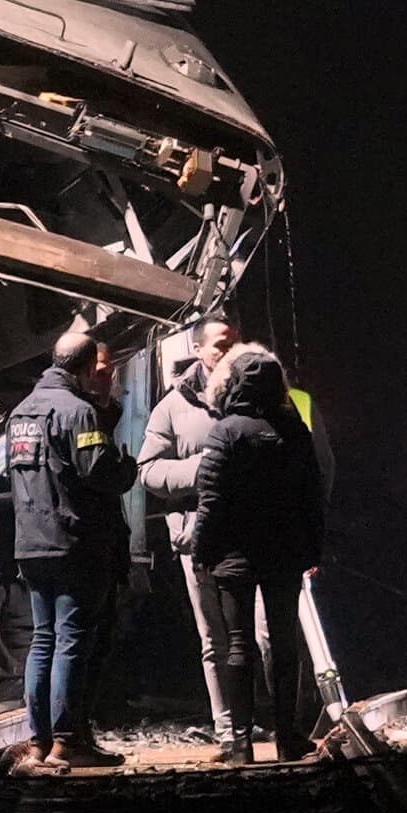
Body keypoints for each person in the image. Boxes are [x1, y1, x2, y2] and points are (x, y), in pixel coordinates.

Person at [8, 329, 137, 772]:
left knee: (42, 640)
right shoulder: (77, 412)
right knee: (71, 641)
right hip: (73, 543)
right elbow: (99, 472)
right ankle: (68, 742)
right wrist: (126, 467)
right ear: (84, 368)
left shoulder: (21, 413)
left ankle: (39, 742)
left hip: (30, 543)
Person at [192, 344, 323, 764]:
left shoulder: (226, 431)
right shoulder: (294, 429)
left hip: (235, 554)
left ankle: (240, 744)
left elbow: (210, 499)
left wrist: (201, 549)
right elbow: (312, 494)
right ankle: (288, 739)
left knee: (238, 645)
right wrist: (313, 547)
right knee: (283, 643)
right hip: (284, 552)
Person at [137, 314, 256, 745]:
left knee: (260, 633)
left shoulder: (254, 395)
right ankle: (228, 727)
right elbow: (148, 470)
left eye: (235, 342)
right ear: (199, 348)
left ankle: (261, 719)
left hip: (252, 532)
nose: (228, 351)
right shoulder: (173, 406)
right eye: (221, 343)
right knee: (215, 638)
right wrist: (202, 468)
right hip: (198, 538)